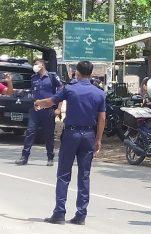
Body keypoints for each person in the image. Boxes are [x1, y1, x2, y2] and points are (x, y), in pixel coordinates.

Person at [35, 61, 106, 225]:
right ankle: (81, 215)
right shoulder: (99, 93)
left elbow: (51, 102)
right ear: (91, 73)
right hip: (89, 134)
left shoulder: (70, 88)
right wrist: (98, 139)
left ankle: (59, 213)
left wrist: (38, 103)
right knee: (84, 175)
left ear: (77, 72)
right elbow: (102, 118)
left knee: (64, 174)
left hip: (71, 134)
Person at [15, 59, 63, 166]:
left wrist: (58, 108)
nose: (35, 66)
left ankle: (50, 157)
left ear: (42, 65)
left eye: (36, 64)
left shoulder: (52, 76)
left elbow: (61, 92)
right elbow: (33, 94)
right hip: (35, 110)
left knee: (48, 135)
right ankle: (24, 157)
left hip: (48, 110)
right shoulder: (34, 78)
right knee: (30, 132)